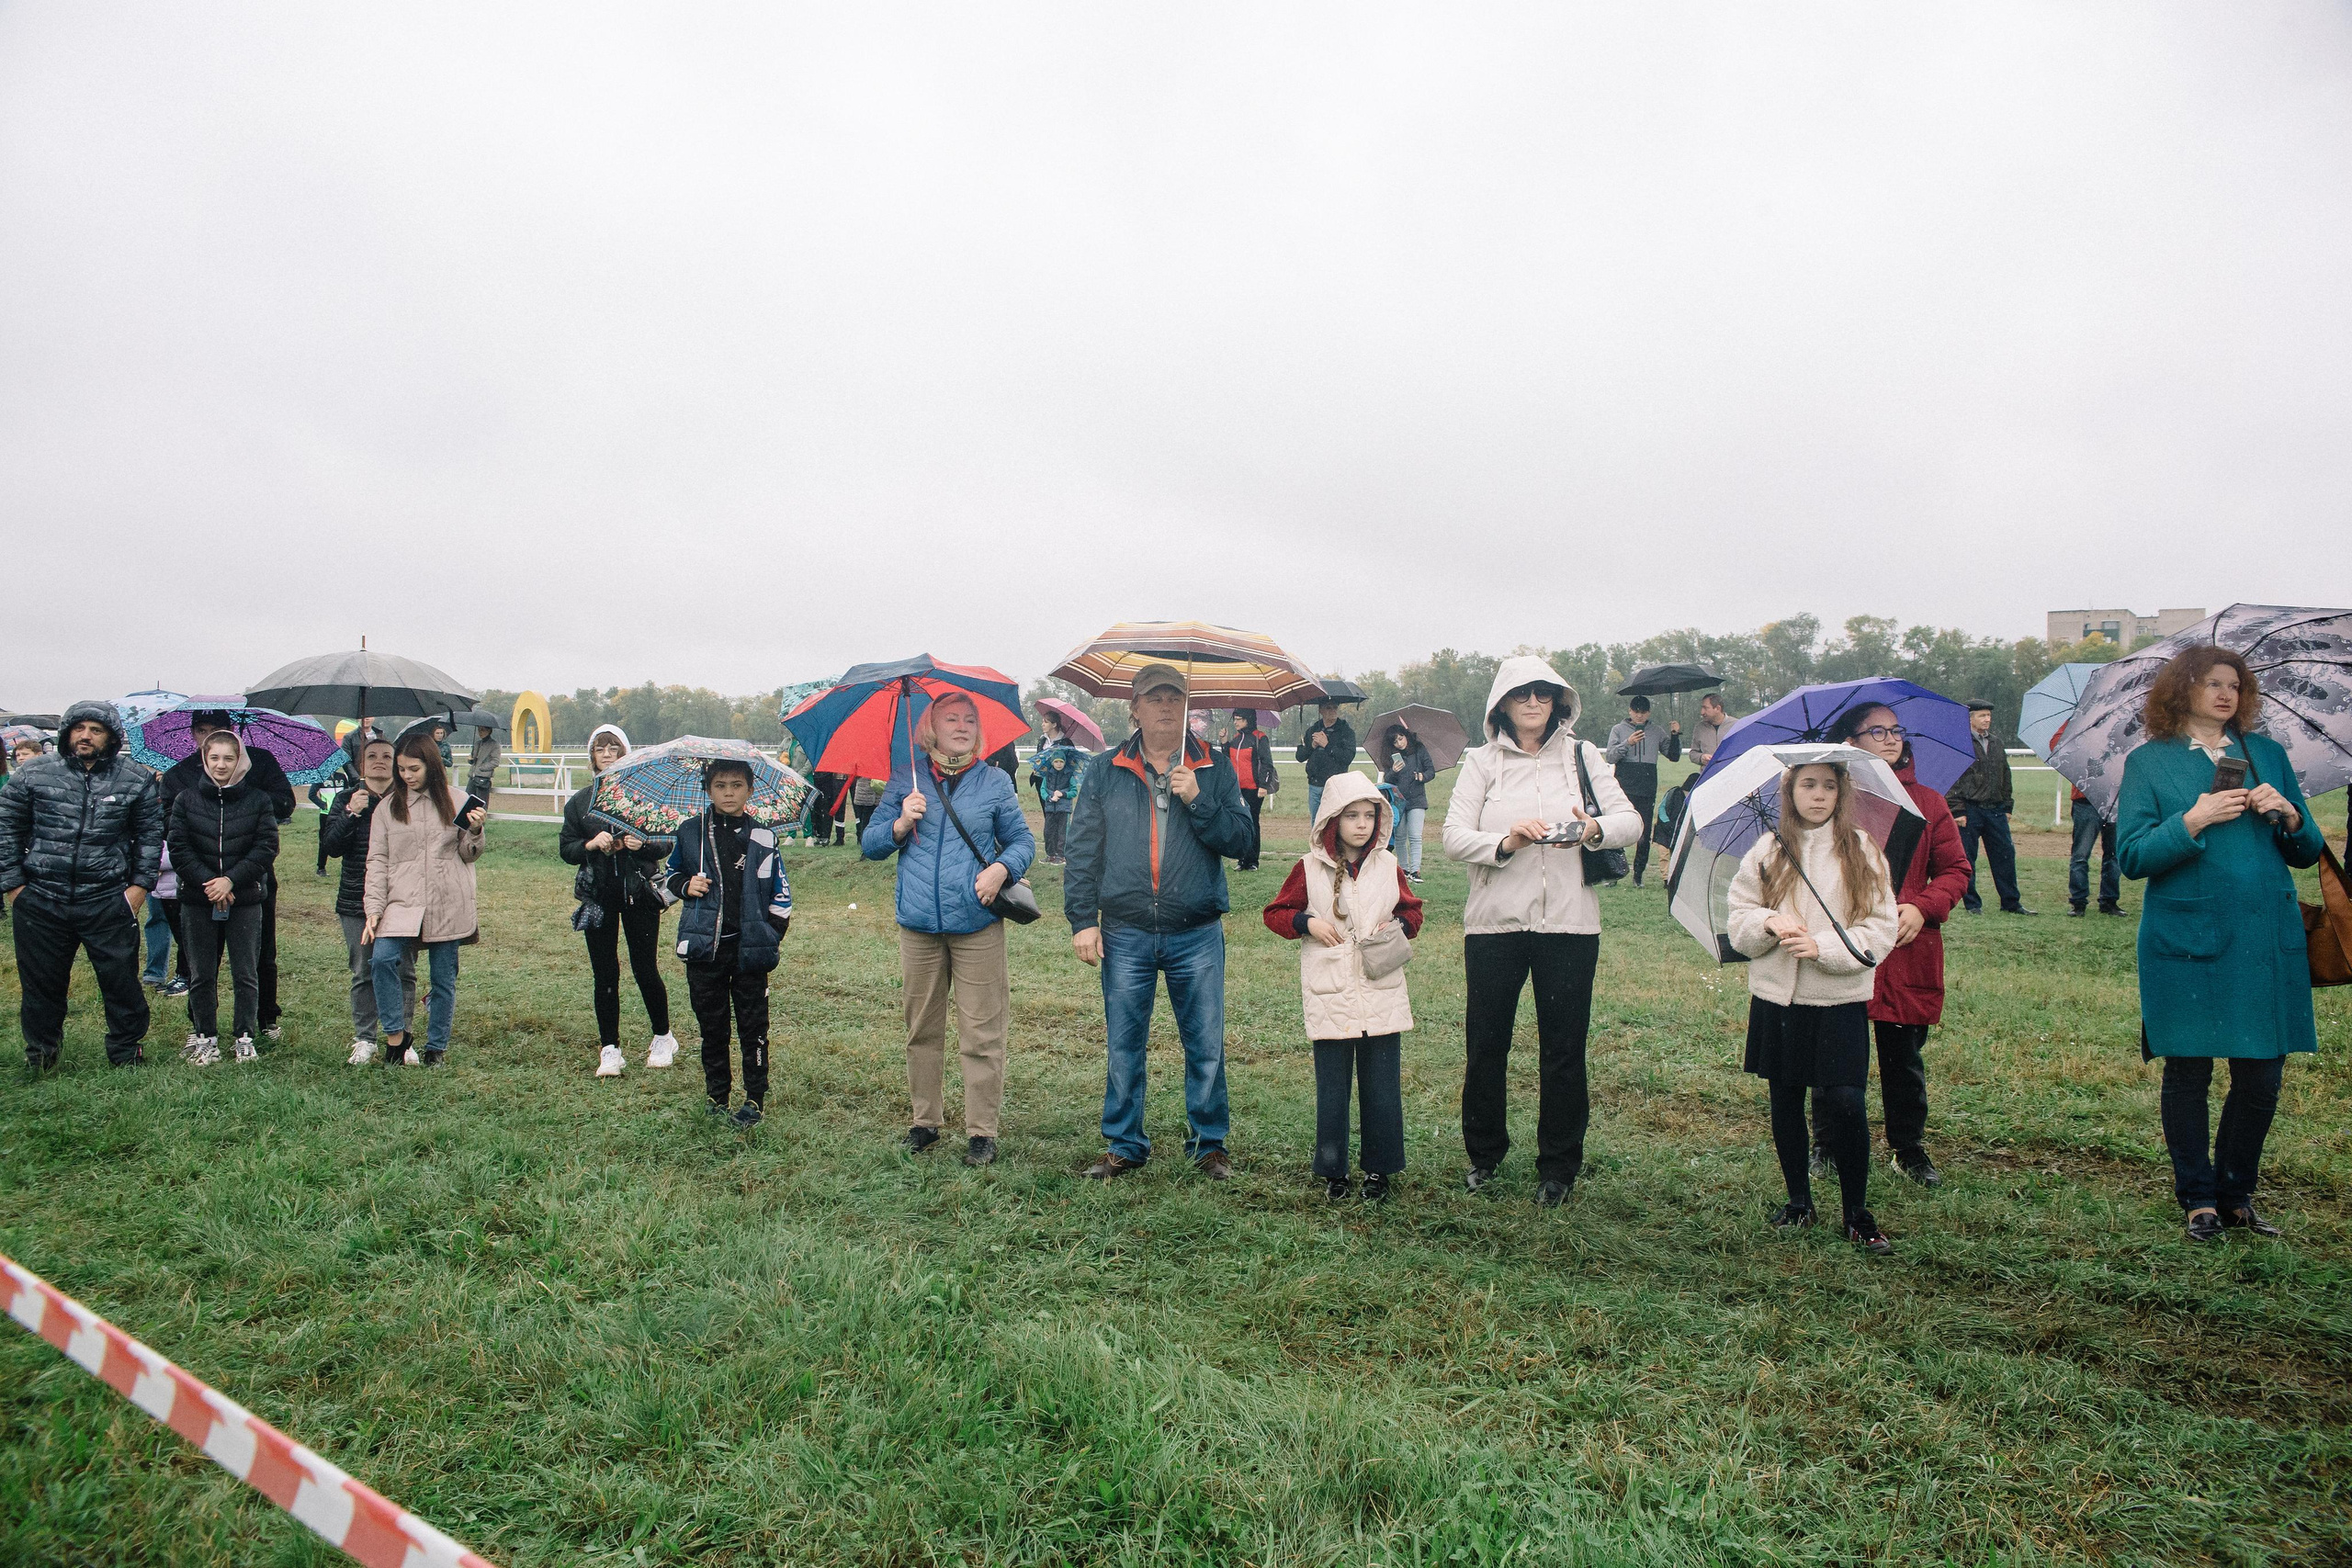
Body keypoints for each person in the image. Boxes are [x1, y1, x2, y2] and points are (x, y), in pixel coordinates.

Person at [2115, 646, 2323, 1243]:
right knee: (2189, 1071)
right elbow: (2132, 856)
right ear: (2181, 690)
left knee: (2261, 1075)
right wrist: (2195, 819)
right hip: (2187, 939)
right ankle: (2199, 1197)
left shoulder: (2268, 755)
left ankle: (2237, 1193)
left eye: (2234, 684)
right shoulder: (2149, 763)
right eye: (2211, 683)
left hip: (2263, 938)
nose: (2225, 693)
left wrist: (2288, 814)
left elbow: (2306, 850)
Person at [1440, 657, 1643, 1205]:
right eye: (1522, 693)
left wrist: (1592, 828)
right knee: (1486, 1045)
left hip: (1570, 925)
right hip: (1493, 925)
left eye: (1545, 694)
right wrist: (1506, 842)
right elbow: (1453, 836)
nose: (1534, 702)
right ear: (1502, 703)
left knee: (1563, 1048)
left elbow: (1631, 822)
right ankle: (1484, 1155)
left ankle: (1558, 1168)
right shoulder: (1480, 762)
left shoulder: (1585, 755)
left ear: (1559, 703)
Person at [1065, 662, 1256, 1180]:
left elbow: (1244, 842)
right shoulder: (1105, 770)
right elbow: (1082, 850)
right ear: (1135, 708)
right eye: (1155, 698)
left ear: (1188, 706)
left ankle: (1209, 1144)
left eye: (1175, 697)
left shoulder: (1213, 767)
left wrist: (1200, 802)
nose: (1166, 706)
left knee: (1206, 1044)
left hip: (1195, 931)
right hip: (1125, 931)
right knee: (1125, 1043)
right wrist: (1084, 919)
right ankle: (1124, 1144)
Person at [1727, 757, 1902, 1254]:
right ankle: (1799, 1202)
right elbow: (1739, 917)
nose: (1819, 795)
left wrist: (1824, 948)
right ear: (1790, 790)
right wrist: (1769, 924)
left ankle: (1856, 1212)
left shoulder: (1862, 850)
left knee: (1845, 1102)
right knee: (1785, 1100)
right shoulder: (1766, 849)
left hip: (1837, 998)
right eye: (1808, 784)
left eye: (1829, 785)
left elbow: (1880, 928)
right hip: (1778, 998)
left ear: (1842, 793)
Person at [864, 692, 1035, 1167]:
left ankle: (982, 1131)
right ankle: (925, 1123)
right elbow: (871, 843)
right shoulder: (906, 778)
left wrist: (1002, 868)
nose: (961, 726)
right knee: (921, 1029)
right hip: (918, 926)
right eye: (950, 718)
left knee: (982, 1032)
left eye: (969, 719)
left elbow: (1022, 840)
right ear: (930, 728)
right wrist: (899, 823)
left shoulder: (995, 781)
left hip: (977, 923)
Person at [1826, 705, 1971, 1186]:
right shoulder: (1831, 802)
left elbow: (1955, 871)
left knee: (1902, 1056)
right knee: (1835, 1053)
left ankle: (1907, 1147)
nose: (1891, 739)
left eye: (1896, 730)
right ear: (1851, 743)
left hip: (1908, 950)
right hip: (1844, 946)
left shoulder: (1928, 802)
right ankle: (1827, 1143)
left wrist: (1922, 907)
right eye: (1877, 731)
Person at [1261, 773, 1424, 1201]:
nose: (1361, 825)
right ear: (1332, 819)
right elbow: (1275, 913)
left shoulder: (1389, 864)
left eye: (1369, 816)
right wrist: (1307, 922)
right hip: (1330, 992)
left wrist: (1398, 927)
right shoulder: (1309, 868)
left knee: (1382, 1088)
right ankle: (1334, 1171)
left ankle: (1378, 1171)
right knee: (1332, 1089)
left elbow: (1414, 913)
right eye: (1351, 815)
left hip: (1381, 990)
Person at [0, 700, 164, 1068]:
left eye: (95, 730)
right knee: (41, 985)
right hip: (41, 898)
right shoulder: (32, 773)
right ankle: (41, 1054)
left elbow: (150, 836)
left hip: (107, 898)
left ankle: (126, 1051)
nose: (85, 736)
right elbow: (6, 829)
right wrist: (14, 887)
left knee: (120, 981)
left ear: (110, 737)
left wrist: (138, 889)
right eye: (79, 728)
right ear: (66, 733)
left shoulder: (135, 778)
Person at [667, 758, 792, 1125]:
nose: (728, 793)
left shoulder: (764, 836)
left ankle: (755, 1098)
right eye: (720, 785)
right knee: (712, 1025)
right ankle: (716, 1093)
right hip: (705, 949)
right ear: (709, 789)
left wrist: (768, 935)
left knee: (754, 1026)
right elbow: (669, 876)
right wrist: (686, 885)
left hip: (749, 948)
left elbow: (781, 895)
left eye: (736, 785)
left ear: (750, 790)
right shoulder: (690, 832)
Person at [159, 712, 297, 1038]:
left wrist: (245, 797)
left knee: (258, 954)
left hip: (249, 877)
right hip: (199, 881)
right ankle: (201, 1026)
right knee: (199, 960)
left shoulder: (260, 763)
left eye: (218, 732)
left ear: (233, 733)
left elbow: (283, 805)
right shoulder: (180, 775)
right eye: (203, 732)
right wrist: (208, 877)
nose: (221, 763)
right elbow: (169, 823)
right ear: (194, 735)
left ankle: (264, 1018)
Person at [560, 725, 680, 1079]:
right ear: (592, 756)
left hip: (639, 896)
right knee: (605, 973)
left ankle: (663, 1036)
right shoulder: (581, 802)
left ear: (627, 753)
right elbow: (565, 848)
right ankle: (609, 1048)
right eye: (600, 748)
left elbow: (666, 843)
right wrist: (589, 845)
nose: (608, 753)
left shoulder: (643, 797)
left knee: (645, 968)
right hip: (597, 898)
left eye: (615, 747)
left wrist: (641, 845)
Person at [363, 733, 486, 1067]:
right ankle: (396, 1036)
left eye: (413, 768)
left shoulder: (459, 801)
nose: (406, 775)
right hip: (402, 901)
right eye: (401, 769)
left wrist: (474, 832)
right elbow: (377, 860)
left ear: (431, 765)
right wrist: (373, 909)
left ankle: (436, 1049)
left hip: (448, 901)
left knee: (443, 978)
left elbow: (469, 854)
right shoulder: (388, 808)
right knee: (383, 960)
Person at [322, 736, 414, 1065]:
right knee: (363, 969)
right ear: (360, 764)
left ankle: (402, 1036)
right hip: (355, 899)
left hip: (402, 899)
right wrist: (350, 813)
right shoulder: (348, 798)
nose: (379, 760)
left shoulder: (408, 800)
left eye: (386, 756)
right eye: (371, 755)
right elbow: (330, 847)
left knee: (402, 969)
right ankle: (365, 1037)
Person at [1948, 701, 2034, 914]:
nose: (1987, 719)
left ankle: (2011, 903)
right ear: (1970, 719)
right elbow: (1951, 779)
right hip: (1970, 809)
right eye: (1982, 715)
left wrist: (2007, 806)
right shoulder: (1959, 743)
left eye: (1988, 715)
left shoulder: (1996, 742)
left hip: (1995, 810)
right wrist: (1957, 810)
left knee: (2005, 856)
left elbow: (2005, 775)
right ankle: (1973, 904)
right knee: (1968, 859)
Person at [1605, 695, 1682, 887]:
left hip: (1647, 785)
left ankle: (1638, 875)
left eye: (1643, 712)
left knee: (1644, 832)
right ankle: (1615, 872)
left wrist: (1675, 736)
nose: (1639, 716)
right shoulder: (1619, 730)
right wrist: (1628, 743)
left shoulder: (1656, 731)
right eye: (1636, 711)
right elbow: (1611, 756)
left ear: (1648, 713)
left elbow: (1673, 756)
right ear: (1630, 711)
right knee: (1620, 828)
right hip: (1624, 784)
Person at [1376, 721, 1436, 884]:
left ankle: (1415, 870)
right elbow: (1387, 780)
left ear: (1406, 736)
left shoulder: (1419, 749)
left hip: (1417, 798)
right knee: (1401, 836)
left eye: (1401, 738)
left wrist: (1422, 777)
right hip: (1398, 800)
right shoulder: (1391, 757)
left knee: (1415, 835)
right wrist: (1393, 772)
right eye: (1395, 741)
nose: (1399, 743)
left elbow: (1431, 770)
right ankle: (1404, 870)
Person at [1029, 715, 1086, 867]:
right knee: (1049, 819)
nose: (1042, 724)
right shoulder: (1042, 740)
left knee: (1061, 823)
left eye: (1046, 722)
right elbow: (1039, 760)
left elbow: (1072, 764)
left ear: (1054, 724)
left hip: (1062, 785)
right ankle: (1051, 853)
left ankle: (1061, 853)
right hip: (1045, 783)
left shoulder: (1065, 742)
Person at [1222, 711, 1276, 871]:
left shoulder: (1260, 737)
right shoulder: (1235, 739)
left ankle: (1252, 861)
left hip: (1254, 790)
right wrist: (1224, 743)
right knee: (1239, 824)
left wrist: (1263, 786)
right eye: (1235, 719)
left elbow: (1267, 763)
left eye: (1239, 719)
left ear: (1249, 720)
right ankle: (1242, 860)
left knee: (1252, 822)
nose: (1236, 722)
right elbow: (1227, 760)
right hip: (1237, 790)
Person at [1296, 700, 1357, 828]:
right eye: (1328, 708)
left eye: (1335, 707)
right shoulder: (1312, 730)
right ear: (1320, 710)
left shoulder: (1346, 732)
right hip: (1315, 784)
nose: (1333, 710)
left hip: (1336, 785)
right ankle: (1317, 848)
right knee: (1316, 823)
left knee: (1334, 823)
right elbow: (1300, 757)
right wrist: (1312, 746)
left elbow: (1347, 757)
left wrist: (1327, 745)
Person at [141, 842, 188, 998]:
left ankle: (186, 976)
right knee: (157, 921)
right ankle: (157, 974)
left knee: (184, 934)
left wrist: (153, 862)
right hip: (159, 887)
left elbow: (182, 851)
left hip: (178, 885)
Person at [1690, 693, 1732, 770]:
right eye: (1702, 708)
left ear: (1717, 709)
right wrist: (1701, 757)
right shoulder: (1699, 728)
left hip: (1731, 776)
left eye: (1706, 708)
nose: (1702, 712)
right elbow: (1693, 754)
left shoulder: (1736, 725)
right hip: (1708, 777)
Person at [466, 724, 502, 806]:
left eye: (483, 730)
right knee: (468, 802)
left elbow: (495, 762)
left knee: (481, 804)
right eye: (479, 730)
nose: (480, 732)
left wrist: (481, 768)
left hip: (483, 778)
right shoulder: (477, 743)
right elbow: (473, 760)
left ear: (489, 731)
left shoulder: (494, 745)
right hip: (472, 777)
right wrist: (470, 759)